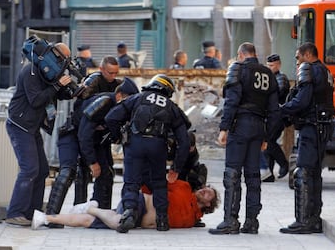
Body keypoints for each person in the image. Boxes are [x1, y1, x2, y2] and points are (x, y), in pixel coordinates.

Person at [45, 77, 139, 228]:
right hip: (73, 136)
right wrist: (92, 162)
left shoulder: (124, 111)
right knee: (67, 173)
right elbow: (83, 133)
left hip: (95, 142)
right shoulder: (103, 102)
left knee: (106, 174)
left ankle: (99, 217)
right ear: (120, 95)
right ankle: (50, 218)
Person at [105, 74, 191, 233]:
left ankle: (129, 213)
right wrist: (176, 167)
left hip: (135, 143)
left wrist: (118, 137)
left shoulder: (137, 98)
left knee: (131, 182)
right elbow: (184, 141)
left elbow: (111, 117)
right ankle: (162, 220)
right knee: (159, 182)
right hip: (158, 146)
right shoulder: (172, 107)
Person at [209, 42, 280, 235]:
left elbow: (231, 101)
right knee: (253, 176)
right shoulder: (268, 74)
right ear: (255, 54)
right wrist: (268, 136)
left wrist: (224, 128)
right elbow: (274, 111)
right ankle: (252, 222)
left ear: (241, 55)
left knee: (232, 174)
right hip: (258, 127)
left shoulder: (238, 69)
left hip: (240, 125)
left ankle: (231, 220)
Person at [5, 42, 74, 226]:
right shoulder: (31, 72)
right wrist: (57, 85)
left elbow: (54, 94)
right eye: (61, 59)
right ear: (52, 54)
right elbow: (36, 100)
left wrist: (71, 90)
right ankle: (15, 213)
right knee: (29, 169)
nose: (62, 63)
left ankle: (31, 213)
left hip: (32, 127)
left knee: (42, 170)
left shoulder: (47, 73)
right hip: (19, 125)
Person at [279, 42, 335, 234]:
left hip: (311, 127)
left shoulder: (308, 68)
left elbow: (302, 101)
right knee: (314, 173)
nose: (297, 61)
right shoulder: (326, 71)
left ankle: (303, 220)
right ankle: (314, 219)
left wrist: (279, 110)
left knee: (302, 172)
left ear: (307, 54)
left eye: (298, 56)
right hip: (324, 126)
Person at [32, 180, 219, 230]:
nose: (206, 190)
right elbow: (155, 184)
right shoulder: (184, 187)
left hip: (137, 223)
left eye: (210, 193)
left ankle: (44, 218)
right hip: (138, 204)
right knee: (119, 223)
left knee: (88, 222)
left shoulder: (193, 221)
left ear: (208, 205)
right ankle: (92, 207)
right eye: (206, 187)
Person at [71, 55, 122, 207]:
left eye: (115, 73)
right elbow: (80, 106)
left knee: (106, 171)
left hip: (101, 133)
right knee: (83, 172)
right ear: (101, 69)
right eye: (110, 73)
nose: (113, 76)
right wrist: (92, 122)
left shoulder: (117, 85)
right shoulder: (93, 81)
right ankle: (79, 208)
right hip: (85, 128)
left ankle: (101, 206)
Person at [260, 53, 290, 182]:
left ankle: (283, 164)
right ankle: (269, 173)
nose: (269, 67)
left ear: (278, 65)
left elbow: (278, 94)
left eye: (272, 65)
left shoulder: (281, 78)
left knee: (270, 141)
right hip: (271, 115)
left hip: (278, 116)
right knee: (267, 143)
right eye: (268, 65)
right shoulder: (269, 78)